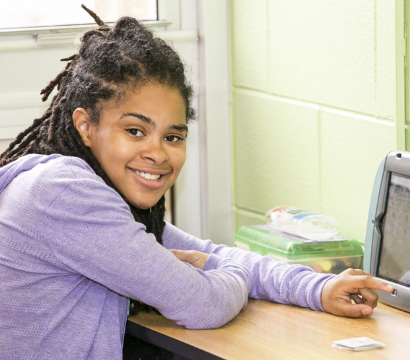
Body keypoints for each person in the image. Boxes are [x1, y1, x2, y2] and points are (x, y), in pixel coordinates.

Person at [0, 5, 393, 360]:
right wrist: (213, 272)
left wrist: (315, 289)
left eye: (173, 137)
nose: (158, 153)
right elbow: (202, 304)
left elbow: (204, 252)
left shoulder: (93, 194)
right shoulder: (65, 194)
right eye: (135, 131)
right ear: (86, 126)